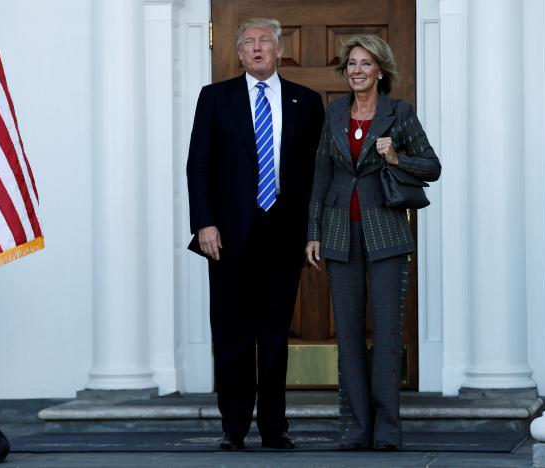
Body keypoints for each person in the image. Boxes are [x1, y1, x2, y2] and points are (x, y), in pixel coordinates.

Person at [186, 17, 324, 451]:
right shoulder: (215, 98)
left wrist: (312, 231)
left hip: (285, 235)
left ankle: (273, 428)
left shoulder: (307, 101)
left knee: (276, 336)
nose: (258, 48)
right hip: (227, 236)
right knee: (233, 335)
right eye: (249, 43)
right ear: (239, 53)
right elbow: (199, 165)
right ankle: (234, 427)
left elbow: (317, 174)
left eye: (265, 41)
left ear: (280, 49)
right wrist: (204, 223)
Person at [305, 35, 441, 451]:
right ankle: (356, 428)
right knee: (347, 333)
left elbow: (432, 168)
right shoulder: (334, 114)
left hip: (386, 233)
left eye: (365, 64)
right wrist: (313, 232)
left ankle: (387, 430)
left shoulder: (399, 113)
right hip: (340, 232)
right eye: (351, 65)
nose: (357, 71)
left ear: (380, 70)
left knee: (386, 332)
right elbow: (321, 176)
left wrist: (397, 158)